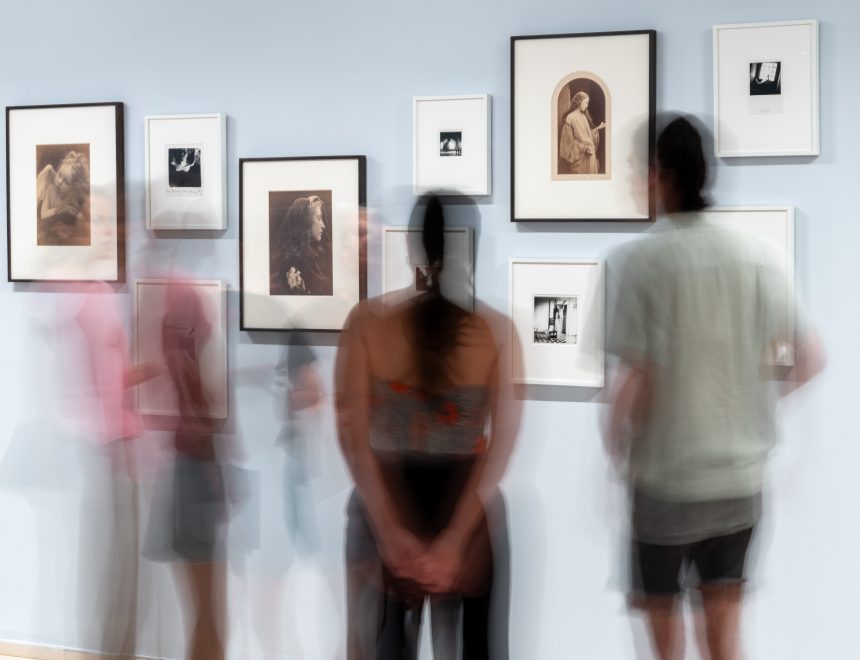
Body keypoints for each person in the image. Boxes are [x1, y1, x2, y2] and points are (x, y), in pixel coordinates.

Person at [605, 116, 824, 660]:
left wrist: (613, 441)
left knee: (664, 640)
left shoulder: (639, 261)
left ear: (661, 174)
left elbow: (637, 377)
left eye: (637, 169)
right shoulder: (759, 255)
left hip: (664, 485)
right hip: (739, 485)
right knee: (725, 638)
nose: (635, 180)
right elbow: (812, 357)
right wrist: (749, 404)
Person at [335, 193, 519, 659]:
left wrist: (393, 536)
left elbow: (355, 441)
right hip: (466, 512)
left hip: (388, 504)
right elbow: (499, 449)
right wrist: (455, 544)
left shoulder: (367, 325)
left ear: (412, 248)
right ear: (472, 250)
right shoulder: (495, 333)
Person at [270, 195, 333, 296]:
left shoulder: (312, 260)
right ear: (306, 221)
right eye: (318, 218)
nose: (323, 225)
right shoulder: (296, 267)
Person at [37, 149, 91, 245]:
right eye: (59, 174)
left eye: (65, 181)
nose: (59, 181)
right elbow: (43, 215)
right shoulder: (51, 189)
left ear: (74, 188)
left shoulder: (74, 202)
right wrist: (57, 210)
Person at [559, 91, 606, 175]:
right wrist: (583, 147)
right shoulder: (570, 118)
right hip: (580, 160)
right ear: (579, 102)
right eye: (586, 103)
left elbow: (586, 137)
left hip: (591, 157)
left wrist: (598, 128)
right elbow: (567, 143)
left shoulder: (583, 116)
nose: (587, 105)